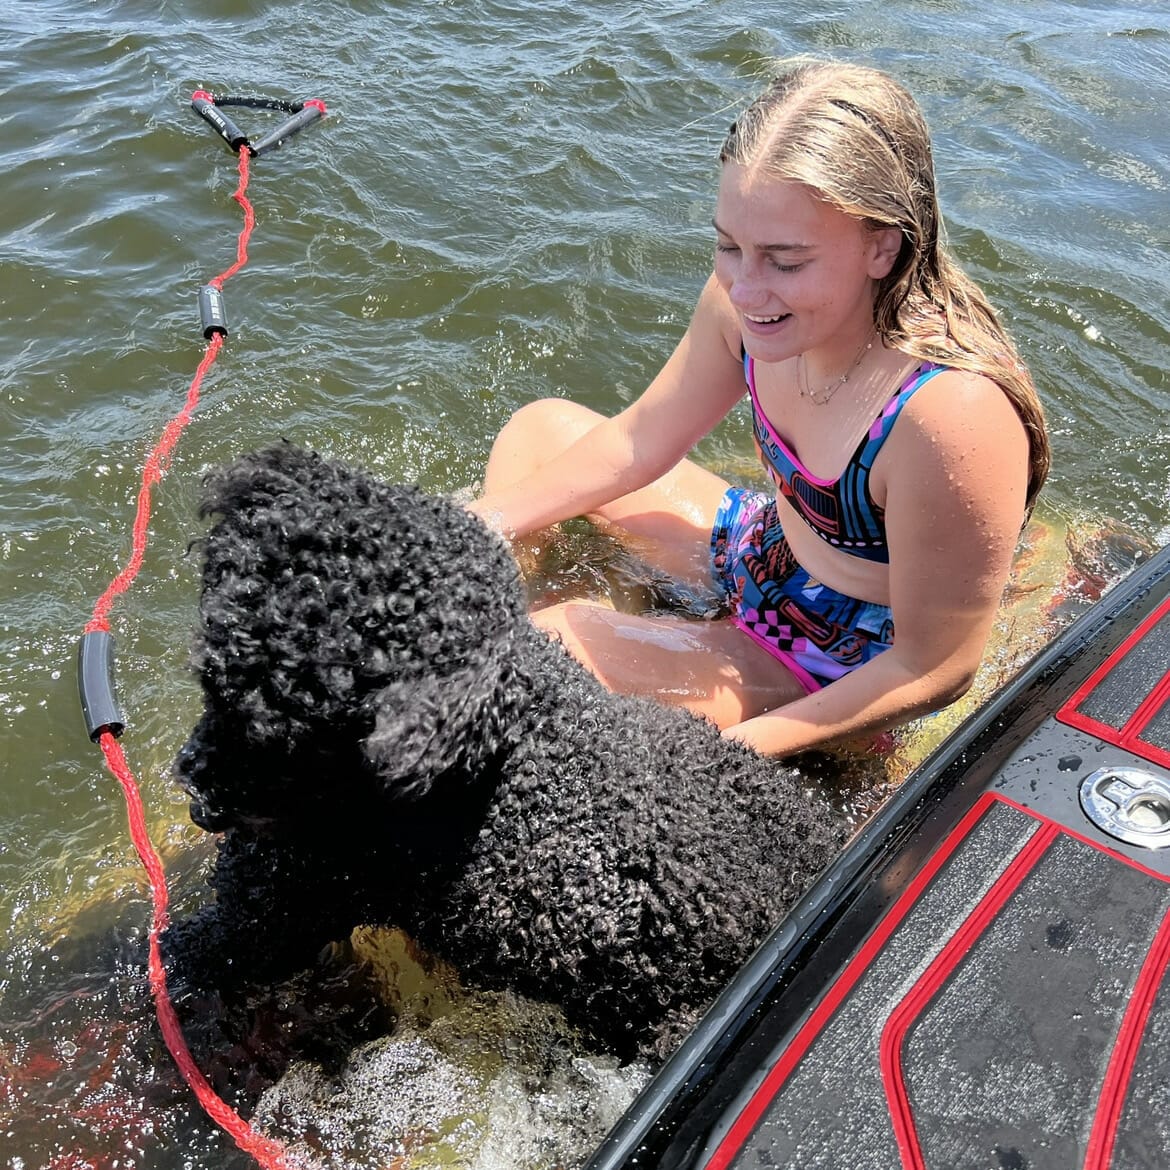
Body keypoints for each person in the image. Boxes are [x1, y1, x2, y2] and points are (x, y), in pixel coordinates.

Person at [469, 56, 1049, 759]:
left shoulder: (950, 413)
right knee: (540, 436)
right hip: (763, 545)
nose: (746, 289)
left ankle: (574, 682)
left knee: (553, 651)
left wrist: (729, 757)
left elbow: (937, 667)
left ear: (881, 246)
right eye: (728, 245)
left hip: (840, 653)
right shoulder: (747, 308)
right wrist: (473, 530)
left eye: (785, 260)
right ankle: (512, 637)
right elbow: (639, 441)